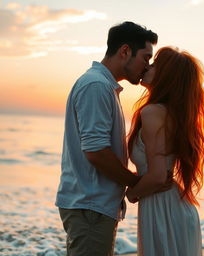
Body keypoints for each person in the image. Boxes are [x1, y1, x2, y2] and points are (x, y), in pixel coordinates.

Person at [55, 21, 159, 256]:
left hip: (93, 205)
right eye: (145, 57)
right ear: (125, 51)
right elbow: (96, 152)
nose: (147, 65)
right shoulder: (96, 86)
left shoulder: (104, 86)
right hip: (90, 205)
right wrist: (136, 182)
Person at [126, 46, 204, 256]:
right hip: (170, 207)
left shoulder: (153, 112)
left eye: (155, 65)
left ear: (167, 76)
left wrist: (131, 193)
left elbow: (157, 176)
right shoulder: (171, 113)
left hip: (163, 208)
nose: (148, 66)